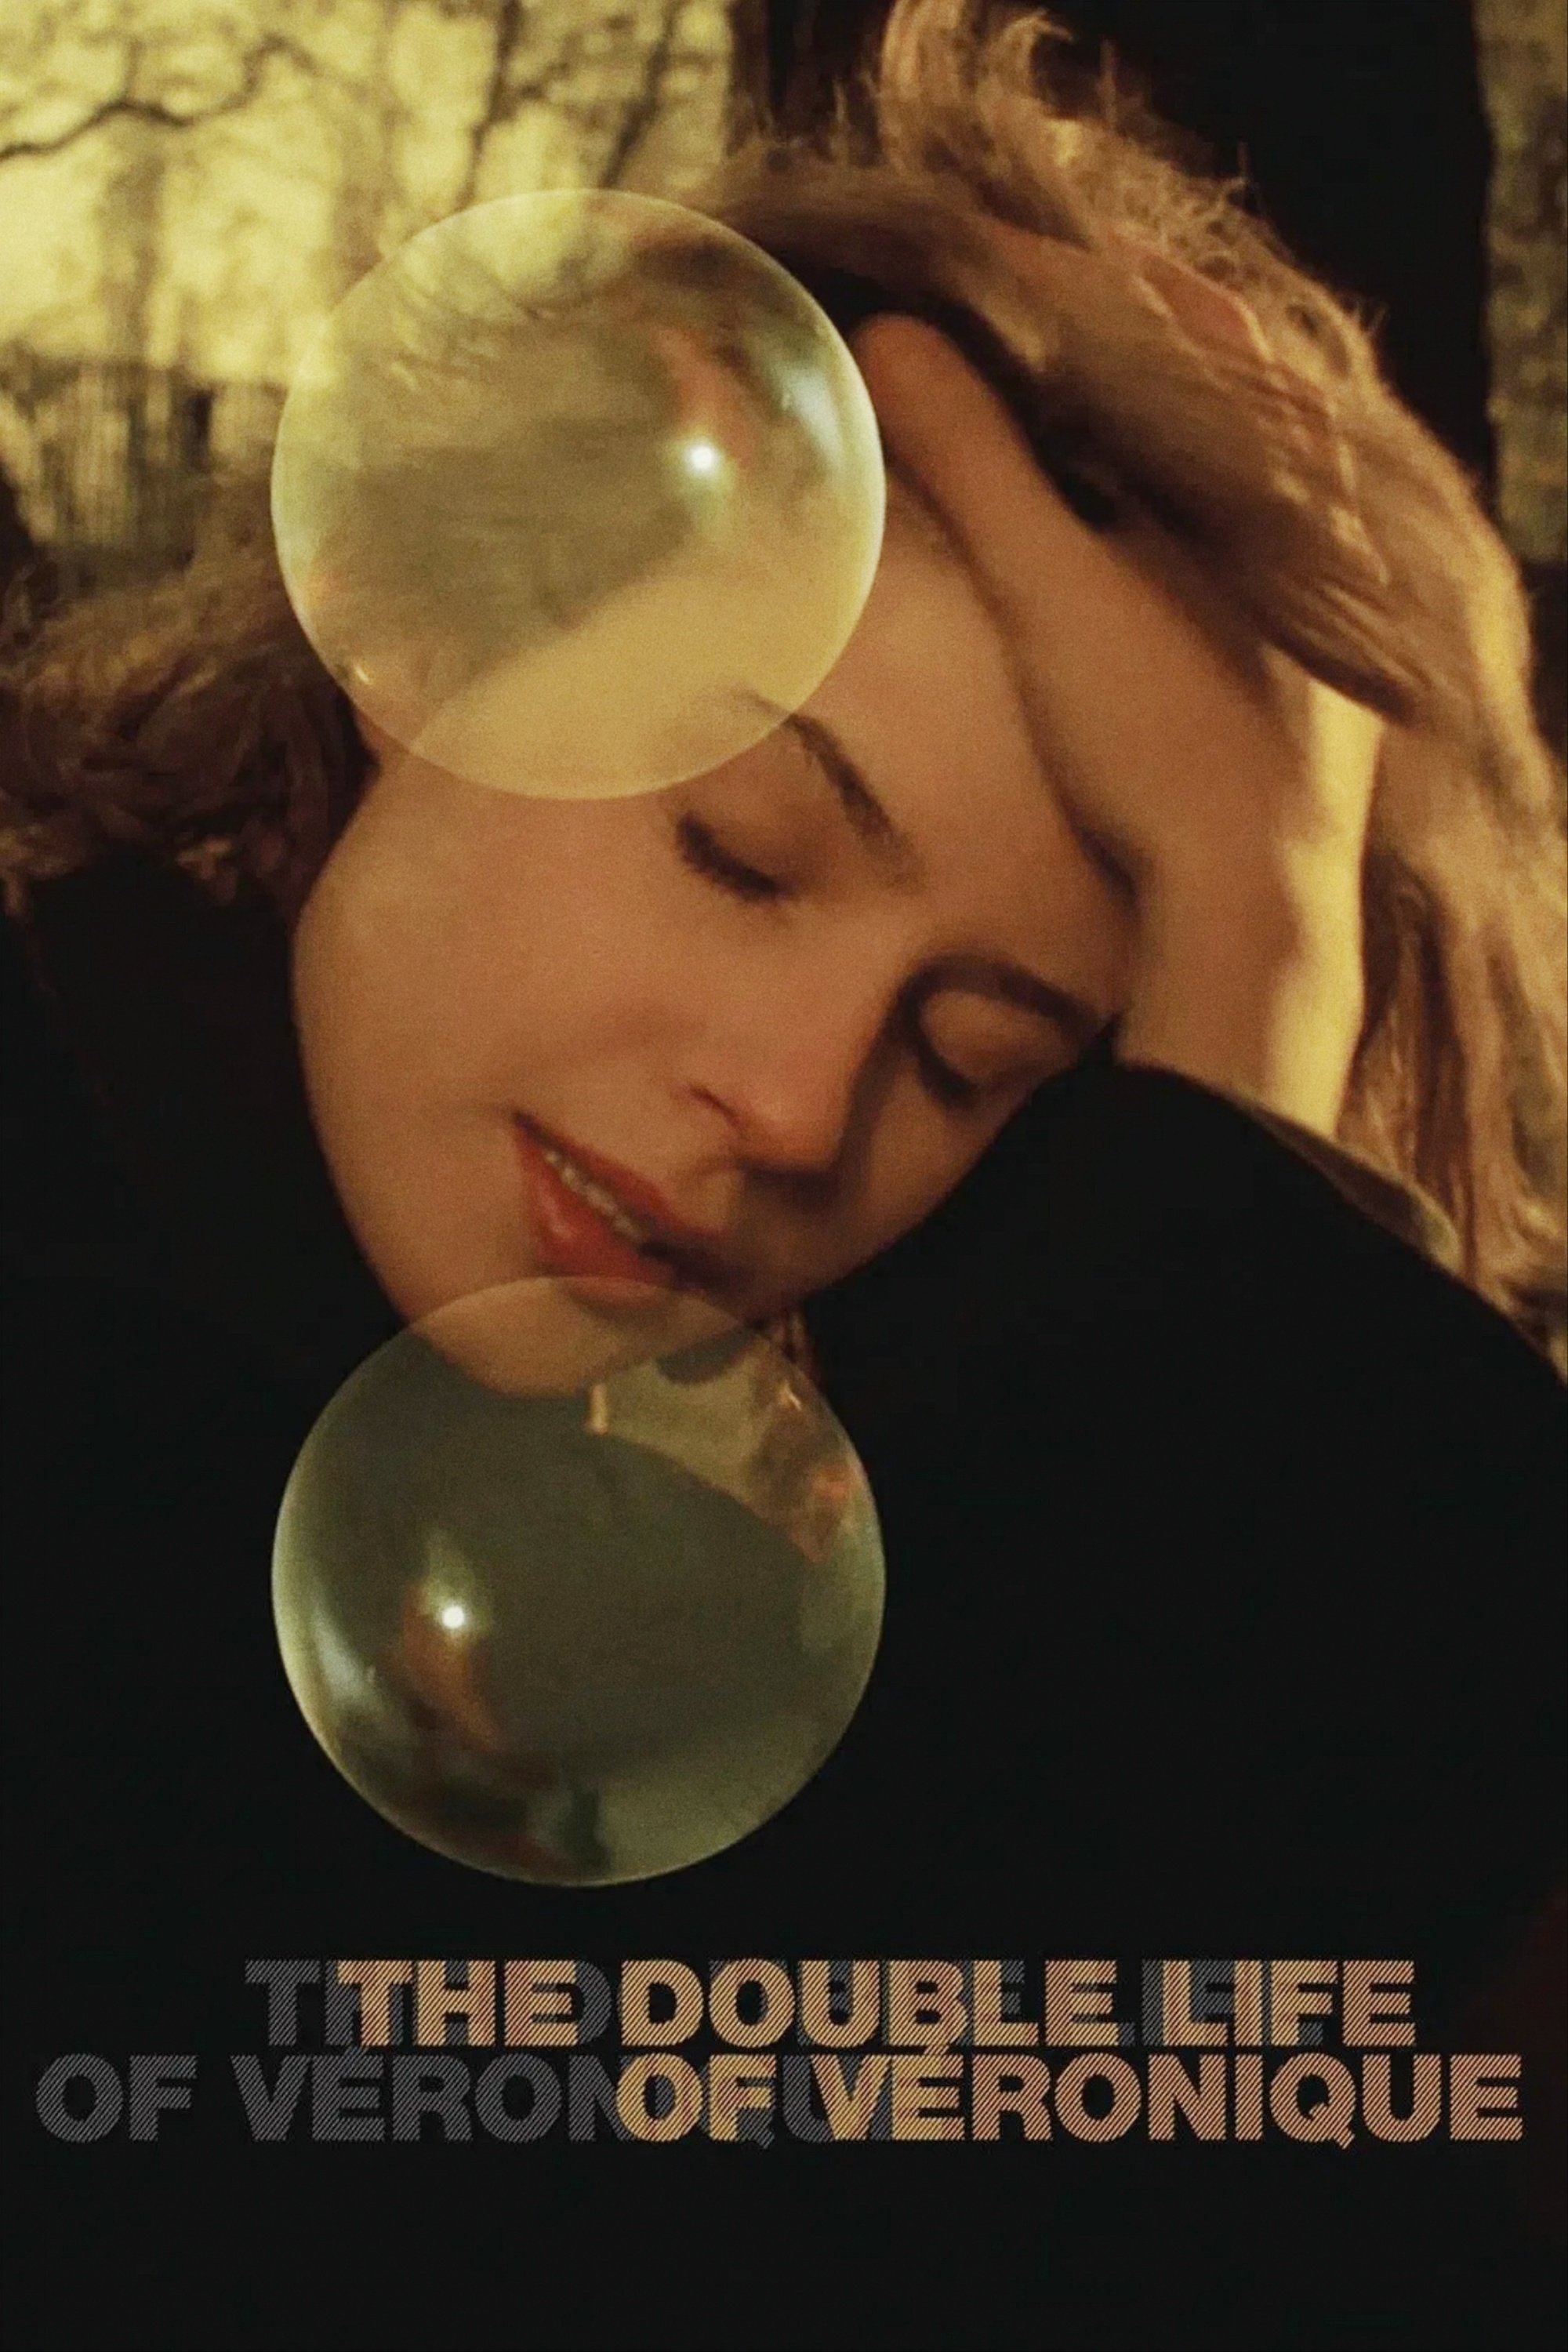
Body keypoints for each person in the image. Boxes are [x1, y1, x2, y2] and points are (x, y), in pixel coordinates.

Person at [2, 2, 1563, 2344]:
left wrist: (1254, 996)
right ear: (445, 612)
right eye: (742, 850)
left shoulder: (896, 1648)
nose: (806, 1109)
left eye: (982, 1065)